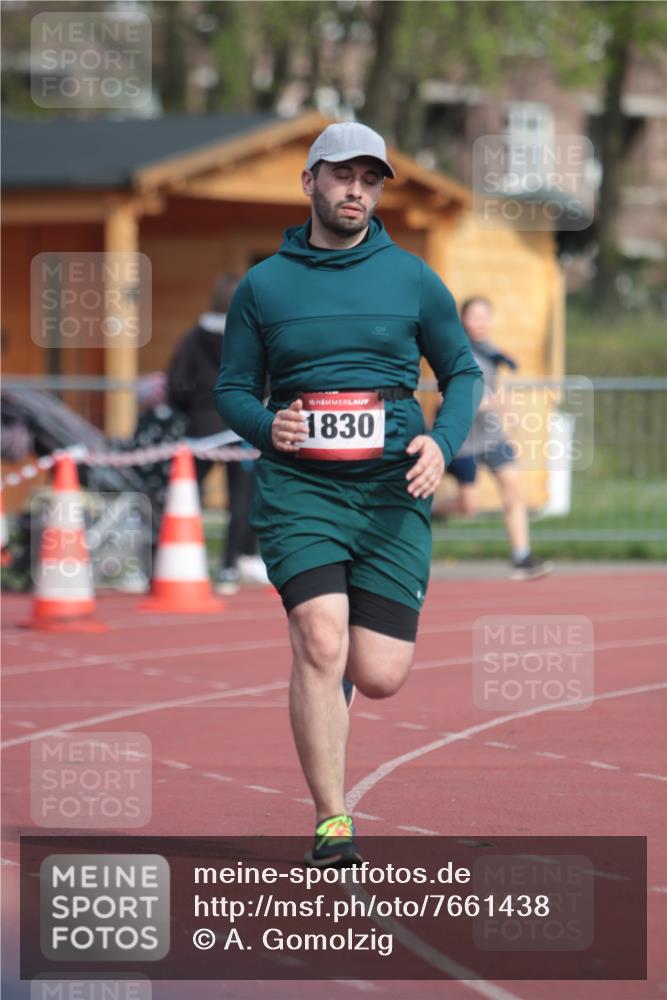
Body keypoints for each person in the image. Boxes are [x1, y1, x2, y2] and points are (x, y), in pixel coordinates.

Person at [214, 121, 482, 866]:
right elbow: (232, 388)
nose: (355, 189)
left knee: (379, 674)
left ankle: (334, 689)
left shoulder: (413, 278)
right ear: (309, 182)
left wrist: (442, 440)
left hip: (391, 488)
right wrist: (271, 430)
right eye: (341, 175)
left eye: (369, 178)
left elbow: (461, 371)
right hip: (301, 488)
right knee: (319, 638)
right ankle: (332, 822)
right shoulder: (262, 285)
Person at [167, 275, 268, 592]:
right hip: (240, 426)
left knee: (185, 496)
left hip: (201, 427)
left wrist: (192, 409)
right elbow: (266, 379)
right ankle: (229, 566)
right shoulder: (251, 337)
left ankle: (177, 561)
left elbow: (175, 381)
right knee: (241, 500)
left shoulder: (192, 337)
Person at [442, 296, 553, 581]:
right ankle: (427, 510)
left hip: (492, 436)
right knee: (468, 506)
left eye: (485, 316)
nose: (480, 322)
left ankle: (522, 557)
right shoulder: (456, 353)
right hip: (463, 437)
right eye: (474, 317)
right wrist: (486, 404)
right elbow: (457, 398)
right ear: (463, 320)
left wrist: (509, 417)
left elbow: (497, 390)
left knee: (513, 489)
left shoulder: (493, 354)